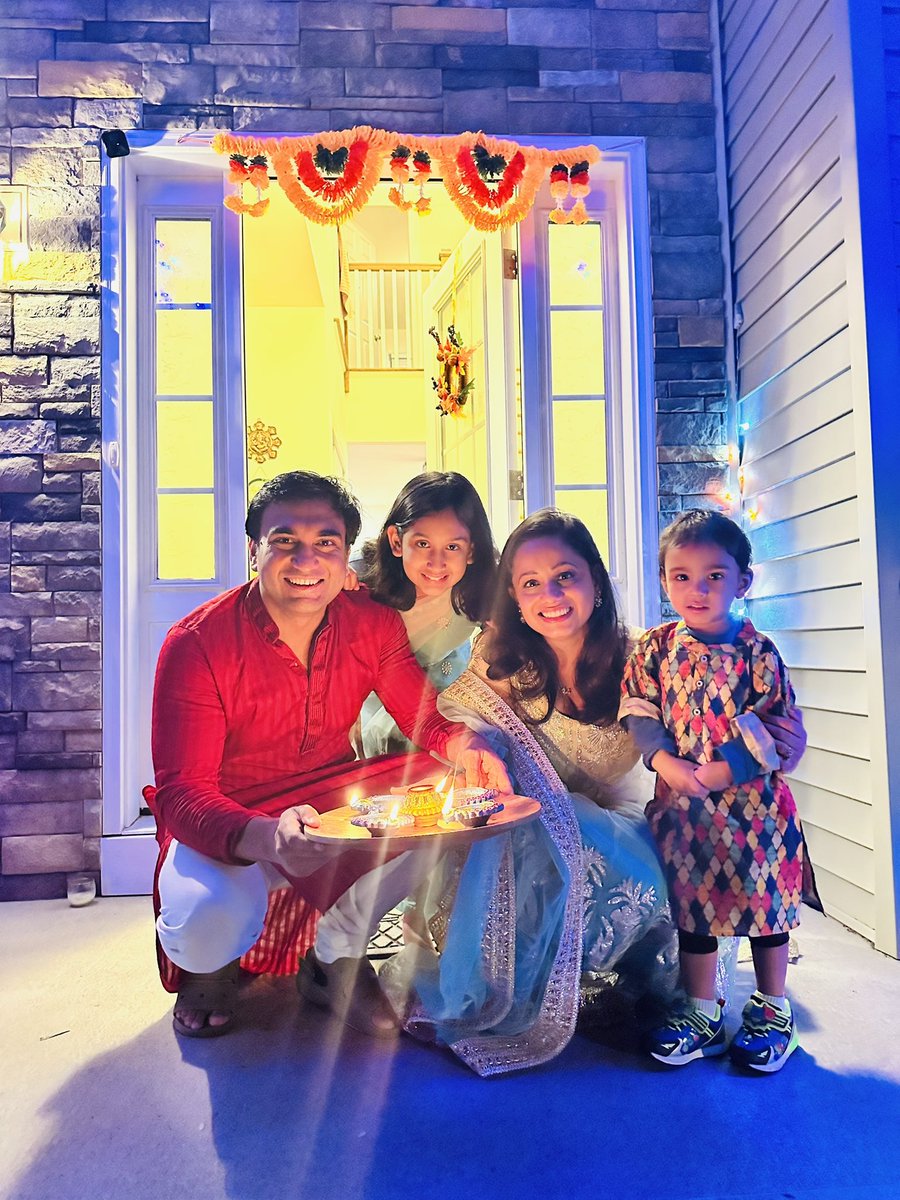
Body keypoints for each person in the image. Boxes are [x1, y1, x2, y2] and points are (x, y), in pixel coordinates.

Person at [146, 470, 510, 1041]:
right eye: (284, 540)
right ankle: (209, 970)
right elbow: (183, 793)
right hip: (232, 812)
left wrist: (468, 745)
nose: (306, 560)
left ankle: (336, 956)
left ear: (345, 557)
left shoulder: (371, 622)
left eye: (325, 543)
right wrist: (266, 836)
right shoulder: (196, 643)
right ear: (253, 549)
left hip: (327, 801)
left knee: (439, 798)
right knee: (207, 912)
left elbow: (424, 718)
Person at [378, 509, 679, 1076]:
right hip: (530, 830)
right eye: (531, 583)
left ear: (595, 580)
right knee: (526, 812)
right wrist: (481, 756)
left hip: (627, 824)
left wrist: (771, 735)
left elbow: (701, 729)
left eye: (565, 576)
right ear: (514, 597)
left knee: (589, 829)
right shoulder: (503, 660)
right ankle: (515, 982)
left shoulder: (642, 657)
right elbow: (462, 723)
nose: (551, 596)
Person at [620, 509, 803, 1073]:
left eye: (714, 576)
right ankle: (702, 1011)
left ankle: (773, 1008)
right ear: (663, 580)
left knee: (766, 910)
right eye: (681, 576)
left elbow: (777, 726)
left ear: (743, 581)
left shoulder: (757, 653)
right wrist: (664, 761)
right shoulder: (655, 648)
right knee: (694, 910)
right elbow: (638, 708)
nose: (696, 590)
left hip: (757, 812)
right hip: (685, 812)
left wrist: (724, 772)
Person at [359, 471, 498, 757]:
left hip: (451, 688)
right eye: (423, 544)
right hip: (380, 701)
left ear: (471, 550)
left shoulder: (484, 587)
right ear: (396, 541)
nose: (437, 562)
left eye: (452, 547)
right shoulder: (359, 583)